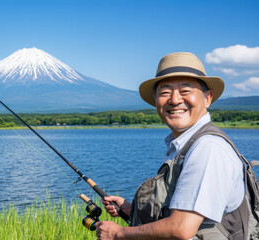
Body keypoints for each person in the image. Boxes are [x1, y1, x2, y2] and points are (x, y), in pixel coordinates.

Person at [96, 52, 245, 239]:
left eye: (185, 90)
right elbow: (183, 213)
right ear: (156, 101)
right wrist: (132, 209)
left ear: (208, 98)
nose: (174, 100)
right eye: (165, 92)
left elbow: (181, 228)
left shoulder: (208, 148)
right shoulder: (187, 145)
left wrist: (119, 233)